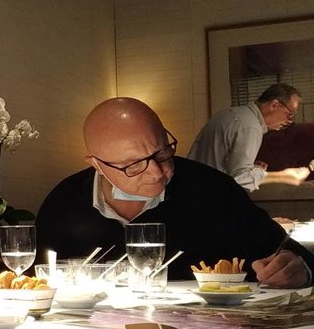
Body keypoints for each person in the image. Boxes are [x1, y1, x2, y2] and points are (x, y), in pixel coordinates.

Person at [37, 97, 313, 287]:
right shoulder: (65, 202)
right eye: (133, 165)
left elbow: (292, 255)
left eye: (162, 152)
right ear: (96, 164)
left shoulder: (213, 191)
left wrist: (298, 269)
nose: (157, 173)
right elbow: (34, 283)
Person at [187, 83, 309, 190]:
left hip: (191, 186)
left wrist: (251, 167)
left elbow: (219, 160)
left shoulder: (231, 113)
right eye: (290, 114)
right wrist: (283, 176)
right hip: (206, 196)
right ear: (274, 105)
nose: (289, 121)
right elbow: (239, 178)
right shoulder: (250, 126)